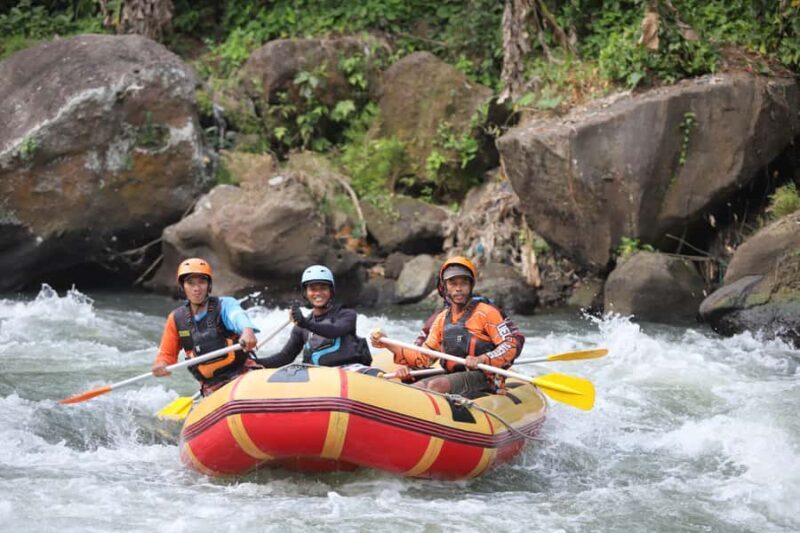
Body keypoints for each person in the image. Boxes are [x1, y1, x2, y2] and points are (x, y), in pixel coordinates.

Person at [372, 256, 523, 396]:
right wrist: (387, 344)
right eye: (453, 283)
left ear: (471, 286)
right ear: (445, 287)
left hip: (485, 376)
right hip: (452, 375)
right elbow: (423, 358)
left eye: (464, 283)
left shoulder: (486, 312)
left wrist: (483, 359)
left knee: (436, 386)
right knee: (416, 389)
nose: (458, 288)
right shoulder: (441, 319)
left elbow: (510, 344)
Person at [151, 258, 260, 396]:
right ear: (182, 286)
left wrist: (247, 330)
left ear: (209, 285)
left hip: (242, 373)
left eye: (202, 282)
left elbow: (238, 317)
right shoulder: (176, 319)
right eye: (190, 283)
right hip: (212, 385)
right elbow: (167, 355)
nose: (196, 288)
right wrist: (161, 364)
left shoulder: (225, 305)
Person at [256, 265, 372, 369]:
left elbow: (335, 330)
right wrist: (255, 362)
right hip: (318, 377)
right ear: (305, 293)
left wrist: (305, 323)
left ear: (331, 291)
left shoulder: (346, 314)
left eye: (323, 288)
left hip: (350, 370)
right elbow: (286, 357)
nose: (318, 293)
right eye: (313, 289)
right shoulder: (301, 327)